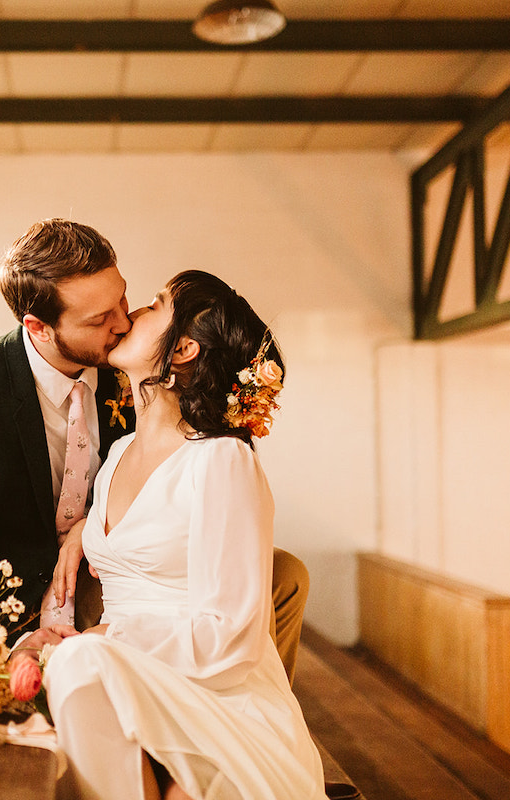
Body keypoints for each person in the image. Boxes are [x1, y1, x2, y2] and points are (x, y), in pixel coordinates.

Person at [0, 219, 309, 680]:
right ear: (39, 327)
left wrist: (88, 527)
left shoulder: (139, 369)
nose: (122, 322)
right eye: (98, 319)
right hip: (16, 602)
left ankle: (248, 704)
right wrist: (11, 639)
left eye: (123, 299)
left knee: (284, 574)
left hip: (114, 577)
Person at [32, 270, 325, 800]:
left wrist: (108, 638)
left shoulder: (220, 459)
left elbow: (232, 633)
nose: (133, 314)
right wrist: (82, 530)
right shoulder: (117, 455)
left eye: (155, 305)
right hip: (126, 681)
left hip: (216, 694)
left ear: (184, 347)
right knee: (76, 670)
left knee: (77, 664)